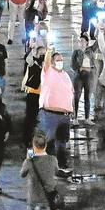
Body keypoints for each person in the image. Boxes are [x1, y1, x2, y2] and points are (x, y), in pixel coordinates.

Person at [39, 45, 74, 176]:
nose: (60, 62)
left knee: (62, 142)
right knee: (48, 142)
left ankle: (61, 167)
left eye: (61, 60)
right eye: (58, 60)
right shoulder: (48, 72)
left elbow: (71, 92)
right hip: (50, 114)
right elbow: (46, 62)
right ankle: (45, 168)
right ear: (53, 62)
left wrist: (72, 110)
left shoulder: (65, 75)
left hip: (65, 115)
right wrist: (49, 51)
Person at [20, 132, 60, 210]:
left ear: (34, 146)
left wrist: (28, 159)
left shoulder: (29, 161)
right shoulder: (53, 159)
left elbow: (22, 174)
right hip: (50, 196)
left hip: (34, 196)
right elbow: (56, 172)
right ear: (45, 145)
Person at [71, 33, 96, 124]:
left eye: (83, 41)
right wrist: (80, 68)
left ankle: (87, 118)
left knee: (87, 97)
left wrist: (101, 30)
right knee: (76, 97)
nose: (81, 42)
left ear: (87, 42)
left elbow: (99, 42)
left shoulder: (91, 51)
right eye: (80, 41)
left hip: (89, 77)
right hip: (78, 77)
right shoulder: (76, 52)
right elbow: (72, 65)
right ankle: (75, 118)